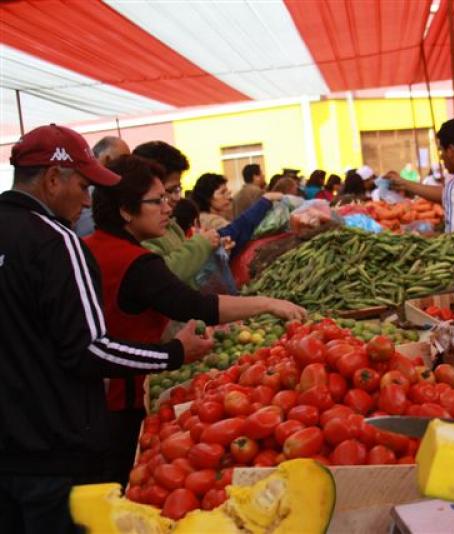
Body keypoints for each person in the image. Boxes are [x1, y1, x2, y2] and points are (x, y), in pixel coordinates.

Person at [0, 125, 212, 532]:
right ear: (51, 179)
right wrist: (174, 354)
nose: (86, 201)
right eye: (83, 185)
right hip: (52, 453)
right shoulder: (57, 242)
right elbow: (91, 350)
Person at [84, 154, 306, 485]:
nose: (168, 208)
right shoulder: (136, 263)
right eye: (156, 201)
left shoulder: (89, 247)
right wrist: (267, 304)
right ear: (125, 210)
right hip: (118, 400)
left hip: (87, 399)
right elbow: (197, 306)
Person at [133, 141, 218, 288]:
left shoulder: (170, 225)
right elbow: (162, 275)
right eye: (171, 191)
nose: (177, 198)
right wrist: (202, 244)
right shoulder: (142, 233)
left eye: (178, 189)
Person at [191, 173, 282, 258]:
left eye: (227, 191)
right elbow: (237, 230)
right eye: (222, 192)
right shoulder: (211, 221)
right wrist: (265, 200)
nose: (228, 195)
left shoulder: (210, 216)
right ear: (207, 198)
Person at [75, 136, 131, 237]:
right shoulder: (93, 188)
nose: (127, 167)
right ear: (107, 159)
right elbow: (88, 233)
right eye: (123, 161)